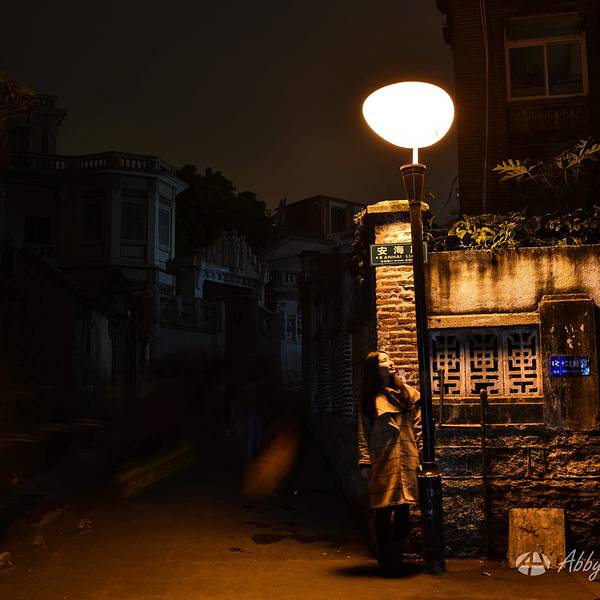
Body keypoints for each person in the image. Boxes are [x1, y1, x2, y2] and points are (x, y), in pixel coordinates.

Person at [357, 350, 423, 576]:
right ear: (375, 369)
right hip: (383, 457)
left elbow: (419, 427)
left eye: (390, 359)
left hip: (406, 454)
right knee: (383, 509)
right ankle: (385, 558)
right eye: (384, 361)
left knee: (404, 508)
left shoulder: (408, 394)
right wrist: (365, 461)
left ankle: (397, 555)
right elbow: (363, 433)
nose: (391, 362)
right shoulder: (369, 400)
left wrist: (421, 454)